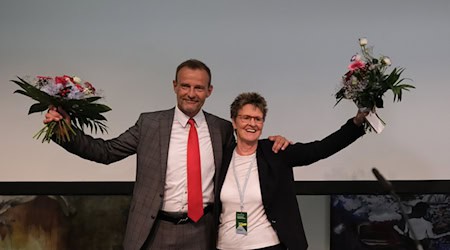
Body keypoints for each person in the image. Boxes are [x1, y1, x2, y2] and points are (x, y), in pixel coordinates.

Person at [44, 59, 290, 250]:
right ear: (175, 86)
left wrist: (274, 143)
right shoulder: (150, 124)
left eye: (198, 88)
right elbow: (105, 152)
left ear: (209, 91)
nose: (191, 93)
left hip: (202, 232)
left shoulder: (222, 129)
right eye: (185, 86)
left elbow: (246, 150)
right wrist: (63, 129)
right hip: (155, 231)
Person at [214, 92, 368, 250]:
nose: (252, 124)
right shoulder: (220, 156)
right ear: (234, 122)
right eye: (245, 118)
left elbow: (318, 150)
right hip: (224, 245)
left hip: (267, 245)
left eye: (258, 119)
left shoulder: (275, 151)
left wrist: (355, 124)